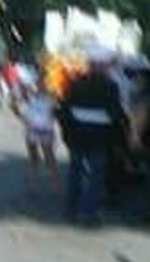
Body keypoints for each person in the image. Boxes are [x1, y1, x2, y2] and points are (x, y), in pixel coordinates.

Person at [57, 47, 129, 226]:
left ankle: (70, 211)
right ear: (103, 66)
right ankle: (90, 214)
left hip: (77, 137)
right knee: (96, 177)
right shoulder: (110, 87)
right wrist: (122, 133)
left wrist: (67, 135)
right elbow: (116, 114)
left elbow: (64, 112)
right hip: (99, 139)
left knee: (75, 173)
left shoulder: (74, 84)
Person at [18, 77, 60, 192]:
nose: (40, 87)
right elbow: (18, 109)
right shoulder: (29, 97)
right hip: (32, 130)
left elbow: (55, 113)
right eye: (38, 85)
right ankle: (34, 185)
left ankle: (55, 185)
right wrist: (24, 119)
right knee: (34, 158)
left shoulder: (51, 98)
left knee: (49, 157)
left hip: (45, 130)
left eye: (43, 85)